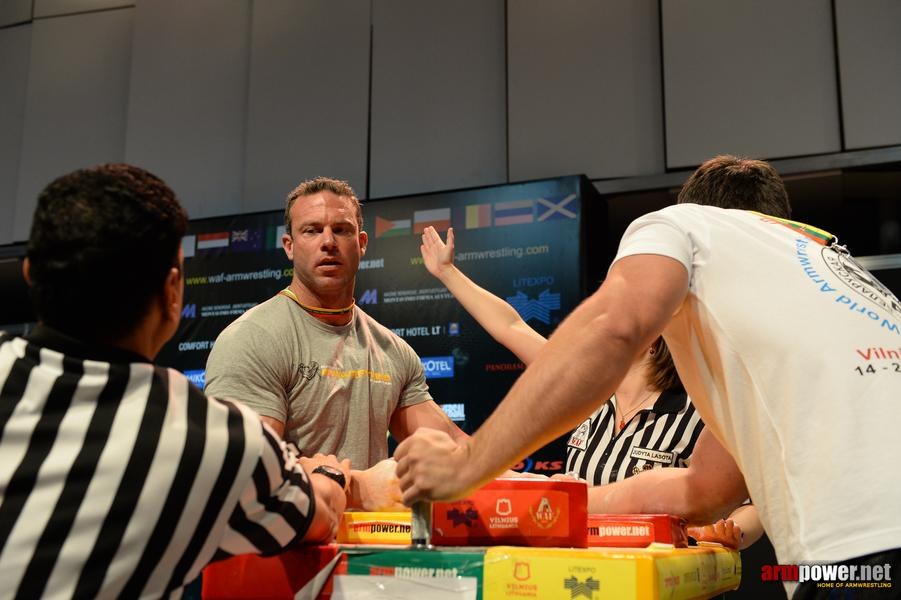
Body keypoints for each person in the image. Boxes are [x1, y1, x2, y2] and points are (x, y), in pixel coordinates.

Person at [397, 156, 900, 598]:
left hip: (857, 554)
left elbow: (614, 325)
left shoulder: (682, 224)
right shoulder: (831, 272)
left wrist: (469, 468)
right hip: (860, 563)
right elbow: (708, 490)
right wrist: (548, 501)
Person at [0, 164, 348, 598]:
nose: (328, 242)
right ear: (172, 293)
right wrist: (332, 473)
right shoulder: (221, 442)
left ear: (31, 274)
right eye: (312, 230)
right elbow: (318, 513)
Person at [420, 224, 757, 550]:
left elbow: (750, 502)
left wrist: (733, 532)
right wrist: (448, 272)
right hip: (584, 572)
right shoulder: (584, 390)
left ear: (655, 330)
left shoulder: (698, 409)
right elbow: (510, 326)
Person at [205, 177, 467, 510]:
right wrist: (353, 486)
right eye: (311, 230)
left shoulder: (393, 351)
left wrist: (524, 479)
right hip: (288, 555)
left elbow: (453, 449)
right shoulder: (253, 338)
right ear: (289, 245)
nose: (328, 242)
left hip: (373, 551)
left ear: (361, 243)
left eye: (341, 230)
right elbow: (247, 467)